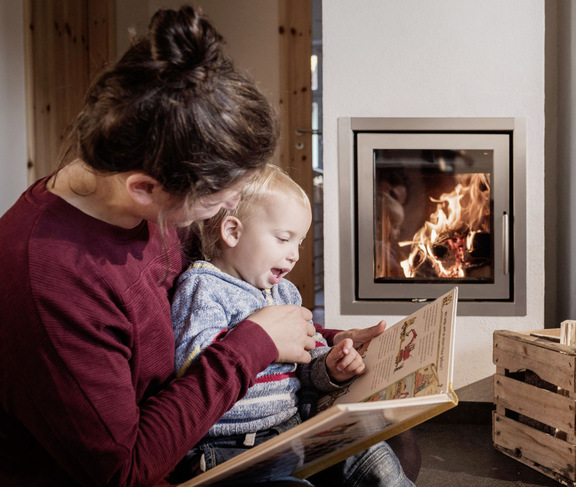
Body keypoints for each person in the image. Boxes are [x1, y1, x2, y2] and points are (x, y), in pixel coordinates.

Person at [0, 5, 418, 486]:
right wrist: (258, 343)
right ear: (145, 187)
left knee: (390, 440)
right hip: (164, 462)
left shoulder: (154, 202)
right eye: (219, 198)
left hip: (224, 412)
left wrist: (324, 338)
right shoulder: (50, 279)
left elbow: (230, 296)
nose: (231, 208)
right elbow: (124, 471)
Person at [170, 165, 414, 486]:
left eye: (299, 242)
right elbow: (196, 367)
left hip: (295, 426)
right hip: (232, 447)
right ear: (232, 232)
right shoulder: (204, 288)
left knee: (376, 459)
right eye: (284, 239)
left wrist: (329, 366)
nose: (295, 255)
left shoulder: (285, 292)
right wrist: (260, 340)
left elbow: (303, 360)